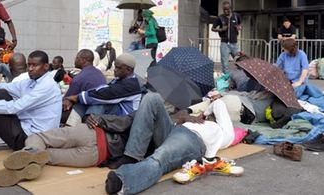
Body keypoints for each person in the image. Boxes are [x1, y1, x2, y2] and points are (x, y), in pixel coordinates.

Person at [105, 93, 240, 194]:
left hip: (191, 140)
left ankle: (124, 181)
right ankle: (132, 155)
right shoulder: (195, 118)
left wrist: (208, 109)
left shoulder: (224, 132)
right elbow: (178, 114)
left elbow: (219, 105)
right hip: (174, 129)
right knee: (152, 98)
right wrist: (187, 115)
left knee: (161, 156)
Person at [0, 113, 134, 187]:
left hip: (92, 133)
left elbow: (122, 122)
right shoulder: (153, 142)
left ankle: (29, 153)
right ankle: (27, 166)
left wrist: (98, 119)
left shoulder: (140, 112)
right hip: (96, 157)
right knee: (48, 156)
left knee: (40, 138)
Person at [65, 53, 143, 125]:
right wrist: (78, 98)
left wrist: (77, 97)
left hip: (124, 120)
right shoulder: (120, 79)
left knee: (98, 101)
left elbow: (106, 95)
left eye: (118, 68)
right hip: (114, 114)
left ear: (128, 70)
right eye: (115, 66)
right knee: (85, 100)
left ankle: (85, 123)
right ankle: (71, 127)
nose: (115, 70)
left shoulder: (131, 85)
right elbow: (103, 89)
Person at [61, 49, 107, 123]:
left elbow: (66, 100)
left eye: (77, 58)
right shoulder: (99, 73)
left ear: (83, 60)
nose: (75, 60)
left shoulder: (79, 78)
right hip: (100, 111)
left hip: (87, 115)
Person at [211, 1, 242, 74]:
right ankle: (226, 81)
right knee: (225, 64)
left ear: (230, 8)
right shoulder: (220, 18)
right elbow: (212, 28)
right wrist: (221, 29)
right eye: (224, 9)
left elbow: (240, 24)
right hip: (224, 44)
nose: (225, 11)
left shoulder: (236, 16)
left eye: (227, 9)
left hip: (234, 44)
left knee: (240, 62)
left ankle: (240, 78)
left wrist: (239, 27)